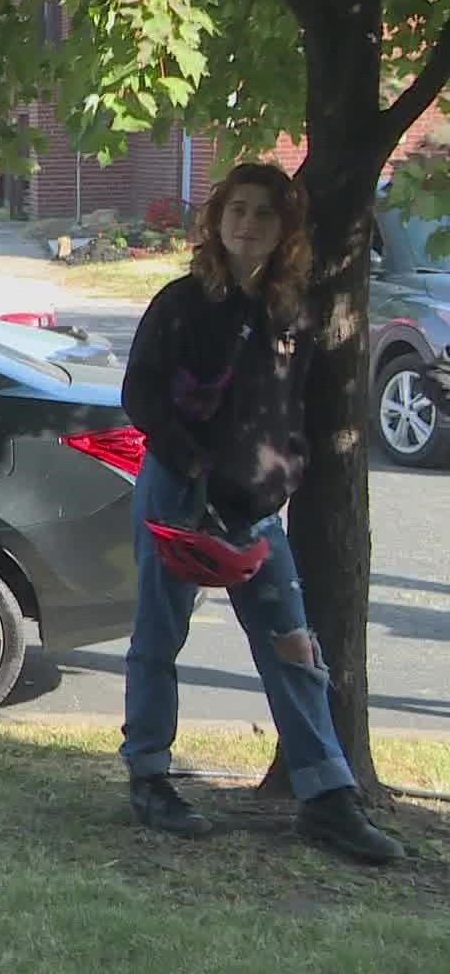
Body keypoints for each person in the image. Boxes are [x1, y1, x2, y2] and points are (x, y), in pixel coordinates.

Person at [119, 162, 404, 864]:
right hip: (177, 495)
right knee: (160, 636)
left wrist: (286, 474)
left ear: (285, 233)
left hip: (254, 512)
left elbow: (300, 413)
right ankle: (149, 776)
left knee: (294, 647)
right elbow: (141, 396)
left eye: (265, 215)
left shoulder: (292, 314)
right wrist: (193, 466)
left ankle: (327, 796)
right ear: (217, 222)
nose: (248, 224)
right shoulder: (182, 303)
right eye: (237, 211)